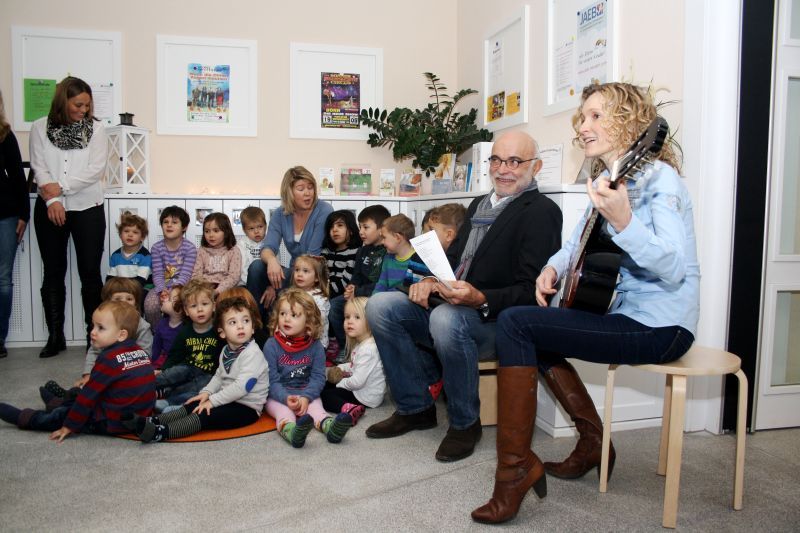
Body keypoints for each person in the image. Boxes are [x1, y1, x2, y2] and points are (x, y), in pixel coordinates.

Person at [471, 82, 699, 524]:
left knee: (517, 324)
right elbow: (574, 243)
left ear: (629, 120)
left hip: (662, 326)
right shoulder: (606, 180)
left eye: (596, 115)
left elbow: (673, 266)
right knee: (535, 327)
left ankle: (515, 470)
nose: (583, 125)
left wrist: (626, 221)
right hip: (623, 313)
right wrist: (552, 269)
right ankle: (592, 443)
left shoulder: (660, 180)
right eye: (583, 116)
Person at [366, 130, 562, 463]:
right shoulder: (479, 206)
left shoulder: (541, 212)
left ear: (536, 166)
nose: (503, 169)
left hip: (497, 321)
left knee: (444, 319)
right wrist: (430, 279)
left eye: (515, 161)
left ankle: (464, 422)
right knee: (380, 306)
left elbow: (531, 291)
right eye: (497, 160)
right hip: (454, 303)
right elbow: (453, 262)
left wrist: (479, 297)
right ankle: (416, 408)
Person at [30, 76, 109, 357]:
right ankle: (55, 336)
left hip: (87, 207)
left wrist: (61, 189)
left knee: (90, 274)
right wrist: (52, 199)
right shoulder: (39, 128)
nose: (84, 110)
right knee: (53, 272)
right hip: (49, 209)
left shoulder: (97, 130)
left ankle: (95, 336)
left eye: (87, 105)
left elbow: (95, 169)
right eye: (78, 104)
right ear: (63, 101)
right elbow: (39, 167)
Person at [0, 301, 155, 442]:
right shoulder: (141, 352)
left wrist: (70, 425)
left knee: (61, 414)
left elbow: (88, 397)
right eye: (93, 326)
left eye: (100, 328)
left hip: (112, 423)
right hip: (136, 416)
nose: (93, 332)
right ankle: (57, 402)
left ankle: (25, 417)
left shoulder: (108, 359)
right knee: (77, 393)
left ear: (121, 334)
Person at [123, 296, 268, 443]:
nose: (241, 326)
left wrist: (212, 401)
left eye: (246, 321)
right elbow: (219, 376)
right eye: (233, 322)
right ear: (222, 332)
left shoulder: (253, 354)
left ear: (253, 327)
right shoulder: (226, 350)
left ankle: (160, 432)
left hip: (246, 408)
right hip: (227, 398)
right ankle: (151, 421)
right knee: (193, 403)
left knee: (204, 412)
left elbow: (240, 388)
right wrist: (206, 393)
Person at [263, 288, 353, 448]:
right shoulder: (271, 345)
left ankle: (332, 428)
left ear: (309, 321)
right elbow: (271, 381)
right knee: (285, 414)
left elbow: (318, 378)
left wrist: (306, 397)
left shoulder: (316, 346)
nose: (286, 319)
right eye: (282, 314)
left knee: (318, 411)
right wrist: (285, 398)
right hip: (278, 395)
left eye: (294, 315)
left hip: (306, 391)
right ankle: (293, 433)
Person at [39, 277, 155, 400]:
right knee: (88, 389)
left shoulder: (142, 326)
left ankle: (67, 400)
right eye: (117, 299)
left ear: (136, 303)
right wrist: (88, 374)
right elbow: (94, 351)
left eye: (129, 299)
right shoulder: (103, 324)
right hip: (104, 371)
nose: (123, 303)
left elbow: (145, 355)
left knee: (100, 395)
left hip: (129, 373)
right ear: (107, 303)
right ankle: (69, 398)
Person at [247, 166, 333, 315]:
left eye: (310, 187)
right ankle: (255, 324)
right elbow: (268, 247)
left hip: (313, 274)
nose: (308, 193)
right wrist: (272, 260)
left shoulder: (324, 210)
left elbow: (312, 257)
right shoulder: (281, 213)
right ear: (289, 192)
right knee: (257, 267)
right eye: (301, 188)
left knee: (280, 283)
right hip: (294, 272)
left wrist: (273, 287)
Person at [329, 204, 389, 358]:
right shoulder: (362, 250)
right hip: (357, 293)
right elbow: (356, 276)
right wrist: (351, 288)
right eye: (360, 227)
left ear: (382, 228)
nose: (361, 231)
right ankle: (346, 347)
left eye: (366, 227)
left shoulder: (387, 252)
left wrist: (358, 292)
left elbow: (382, 283)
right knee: (334, 306)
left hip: (373, 295)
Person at [155, 279, 223, 410]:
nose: (200, 309)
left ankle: (170, 402)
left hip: (209, 374)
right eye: (193, 306)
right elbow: (175, 354)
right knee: (174, 373)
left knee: (199, 386)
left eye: (204, 304)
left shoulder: (219, 330)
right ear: (186, 310)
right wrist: (163, 370)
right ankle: (145, 387)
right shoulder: (185, 331)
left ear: (214, 306)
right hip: (188, 367)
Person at [322, 296, 385, 426]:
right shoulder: (361, 344)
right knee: (326, 385)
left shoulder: (368, 350)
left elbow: (357, 382)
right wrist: (342, 368)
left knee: (326, 396)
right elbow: (354, 365)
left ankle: (349, 409)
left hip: (365, 397)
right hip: (362, 390)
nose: (349, 321)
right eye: (347, 317)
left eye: (357, 317)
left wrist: (339, 383)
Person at [0, 90, 29, 358]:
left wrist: (24, 214)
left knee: (3, 279)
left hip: (5, 214)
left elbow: (18, 175)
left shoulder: (4, 133)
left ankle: (0, 338)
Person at [143, 205, 197, 330]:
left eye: (174, 222)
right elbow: (157, 274)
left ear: (184, 227)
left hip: (182, 287)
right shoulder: (157, 248)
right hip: (161, 287)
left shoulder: (189, 248)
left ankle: (181, 334)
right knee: (150, 305)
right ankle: (157, 334)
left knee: (185, 304)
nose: (169, 225)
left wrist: (174, 290)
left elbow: (186, 274)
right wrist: (162, 290)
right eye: (165, 222)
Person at [371, 214, 432, 294]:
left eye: (384, 237)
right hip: (385, 300)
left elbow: (414, 293)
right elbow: (381, 285)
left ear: (397, 238)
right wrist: (373, 300)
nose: (382, 242)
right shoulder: (387, 258)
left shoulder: (418, 260)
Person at [192, 212, 241, 296]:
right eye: (207, 231)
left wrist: (218, 291)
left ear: (226, 232)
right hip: (204, 288)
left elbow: (234, 276)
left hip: (225, 289)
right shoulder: (201, 250)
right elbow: (196, 274)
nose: (211, 235)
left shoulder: (233, 251)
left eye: (216, 231)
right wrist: (203, 290)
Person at [290, 254, 331, 350]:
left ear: (317, 277)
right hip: (298, 338)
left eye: (305, 271)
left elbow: (320, 321)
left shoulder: (318, 298)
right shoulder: (293, 293)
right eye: (297, 270)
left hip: (316, 343)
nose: (299, 274)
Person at [321, 210, 362, 299]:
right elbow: (321, 275)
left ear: (351, 230)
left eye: (340, 225)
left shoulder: (355, 252)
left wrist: (324, 293)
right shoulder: (326, 252)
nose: (334, 230)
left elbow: (346, 281)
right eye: (331, 227)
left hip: (342, 293)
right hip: (324, 291)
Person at [106, 212, 152, 288]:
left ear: (142, 237)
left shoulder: (145, 256)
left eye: (135, 232)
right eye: (126, 231)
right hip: (122, 289)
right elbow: (110, 278)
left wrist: (122, 288)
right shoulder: (115, 255)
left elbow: (141, 280)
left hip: (142, 288)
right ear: (120, 235)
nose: (130, 235)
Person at [150, 285, 184, 369]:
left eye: (169, 299)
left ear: (180, 306)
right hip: (164, 361)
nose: (164, 299)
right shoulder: (162, 324)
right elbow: (156, 349)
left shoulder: (186, 327)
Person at [236, 206, 267, 286]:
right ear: (244, 230)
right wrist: (251, 283)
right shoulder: (241, 244)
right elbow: (242, 268)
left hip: (266, 282)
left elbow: (275, 265)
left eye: (260, 227)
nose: (256, 231)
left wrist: (270, 286)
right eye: (251, 228)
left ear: (265, 226)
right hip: (246, 282)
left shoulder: (270, 242)